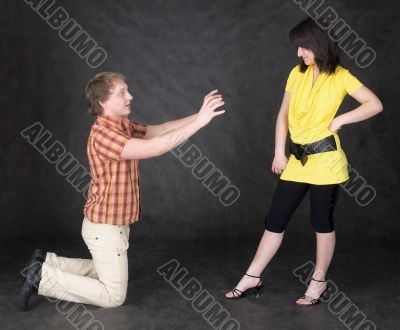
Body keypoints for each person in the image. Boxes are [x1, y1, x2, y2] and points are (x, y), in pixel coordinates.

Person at [20, 72, 225, 310]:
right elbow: (156, 148)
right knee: (113, 297)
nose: (130, 96)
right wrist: (200, 122)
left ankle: (45, 261)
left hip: (110, 227)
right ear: (103, 102)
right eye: (121, 93)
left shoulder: (121, 125)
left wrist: (198, 115)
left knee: (102, 271)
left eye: (127, 90)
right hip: (104, 228)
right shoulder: (104, 134)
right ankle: (42, 278)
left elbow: (161, 131)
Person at [225, 17, 383, 305]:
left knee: (321, 222)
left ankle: (318, 281)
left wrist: (341, 119)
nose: (299, 53)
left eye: (303, 46)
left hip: (326, 161)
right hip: (297, 159)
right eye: (298, 47)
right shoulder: (295, 74)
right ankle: (252, 276)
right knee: (275, 220)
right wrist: (278, 151)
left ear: (319, 44)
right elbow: (283, 114)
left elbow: (375, 104)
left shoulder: (342, 76)